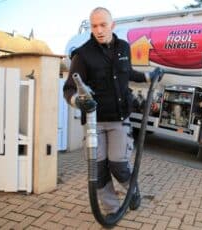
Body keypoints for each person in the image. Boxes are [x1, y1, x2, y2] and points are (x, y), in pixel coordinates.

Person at [63, 7, 164, 215]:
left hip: (119, 119)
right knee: (99, 170)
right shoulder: (82, 55)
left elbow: (127, 73)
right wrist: (77, 101)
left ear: (112, 25)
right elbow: (69, 89)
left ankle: (132, 192)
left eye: (103, 25)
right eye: (94, 26)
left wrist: (148, 76)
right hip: (94, 123)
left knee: (118, 165)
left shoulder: (124, 48)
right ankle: (111, 208)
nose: (99, 30)